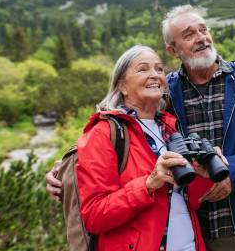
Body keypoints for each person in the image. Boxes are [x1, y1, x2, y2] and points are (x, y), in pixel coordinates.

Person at [47, 5, 235, 251]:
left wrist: (233, 173)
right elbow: (122, 132)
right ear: (173, 50)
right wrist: (69, 169)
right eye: (189, 34)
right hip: (194, 226)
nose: (201, 38)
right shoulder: (167, 92)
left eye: (203, 30)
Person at [75, 44, 226, 251]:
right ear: (122, 86)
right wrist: (148, 184)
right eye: (143, 69)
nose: (154, 75)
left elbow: (191, 202)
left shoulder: (171, 127)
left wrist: (203, 174)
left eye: (159, 69)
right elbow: (94, 217)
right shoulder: (103, 134)